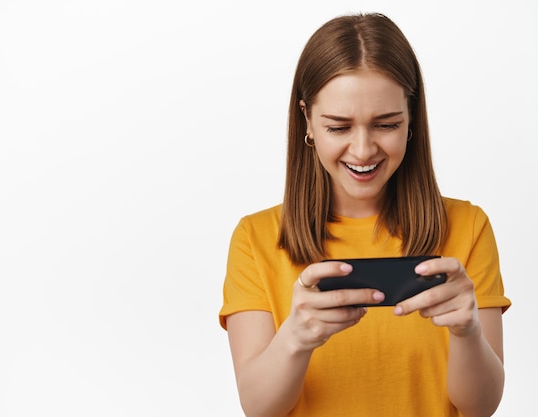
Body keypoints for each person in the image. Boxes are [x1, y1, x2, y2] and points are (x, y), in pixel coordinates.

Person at [218, 12, 510, 417]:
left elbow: (480, 407)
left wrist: (468, 332)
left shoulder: (468, 228)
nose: (362, 150)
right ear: (307, 121)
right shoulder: (256, 238)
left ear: (411, 120)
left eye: (385, 124)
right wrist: (295, 339)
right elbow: (258, 408)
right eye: (338, 127)